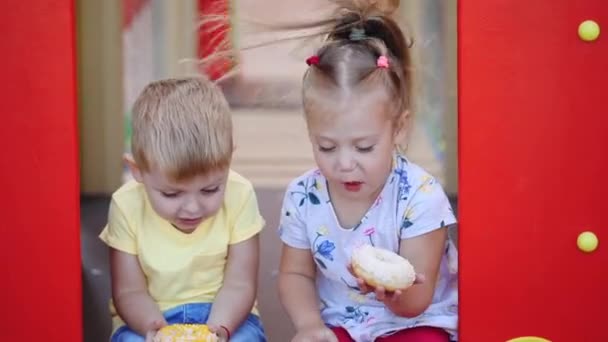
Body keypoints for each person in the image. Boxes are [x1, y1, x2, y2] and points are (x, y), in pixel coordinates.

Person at [276, 1, 458, 341]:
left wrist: (394, 294)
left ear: (398, 129)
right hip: (342, 323)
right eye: (327, 147)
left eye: (364, 147)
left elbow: (418, 300)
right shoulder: (304, 196)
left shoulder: (420, 197)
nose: (344, 164)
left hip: (415, 322)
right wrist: (309, 325)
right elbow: (294, 273)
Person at [99, 76, 267, 342]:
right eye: (171, 193)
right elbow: (129, 291)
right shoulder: (126, 205)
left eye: (210, 190)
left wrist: (218, 330)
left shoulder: (240, 193)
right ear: (138, 172)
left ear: (228, 162)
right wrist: (155, 330)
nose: (192, 207)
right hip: (151, 316)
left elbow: (240, 282)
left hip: (225, 314)